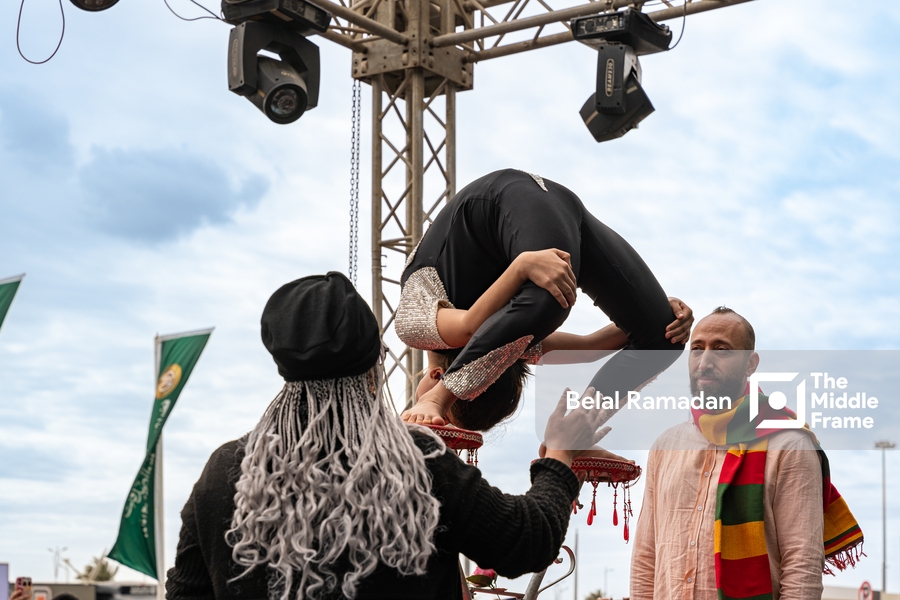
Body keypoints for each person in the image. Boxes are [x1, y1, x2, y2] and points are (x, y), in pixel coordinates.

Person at [166, 272, 610, 600]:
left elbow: (185, 593)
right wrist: (560, 453)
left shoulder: (226, 470)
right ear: (374, 370)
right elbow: (527, 542)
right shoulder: (412, 461)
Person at [395, 168, 691, 431]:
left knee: (551, 299)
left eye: (442, 416)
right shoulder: (513, 337)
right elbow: (592, 347)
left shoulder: (414, 326)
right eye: (446, 413)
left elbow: (471, 327)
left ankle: (441, 396)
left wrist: (521, 266)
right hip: (565, 219)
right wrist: (657, 312)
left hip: (502, 204)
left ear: (438, 375)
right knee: (661, 342)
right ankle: (580, 427)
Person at [630, 307, 863, 600]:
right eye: (697, 349)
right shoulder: (666, 445)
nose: (705, 361)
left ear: (750, 364)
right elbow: (646, 555)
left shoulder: (789, 444)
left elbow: (801, 566)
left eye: (722, 350)